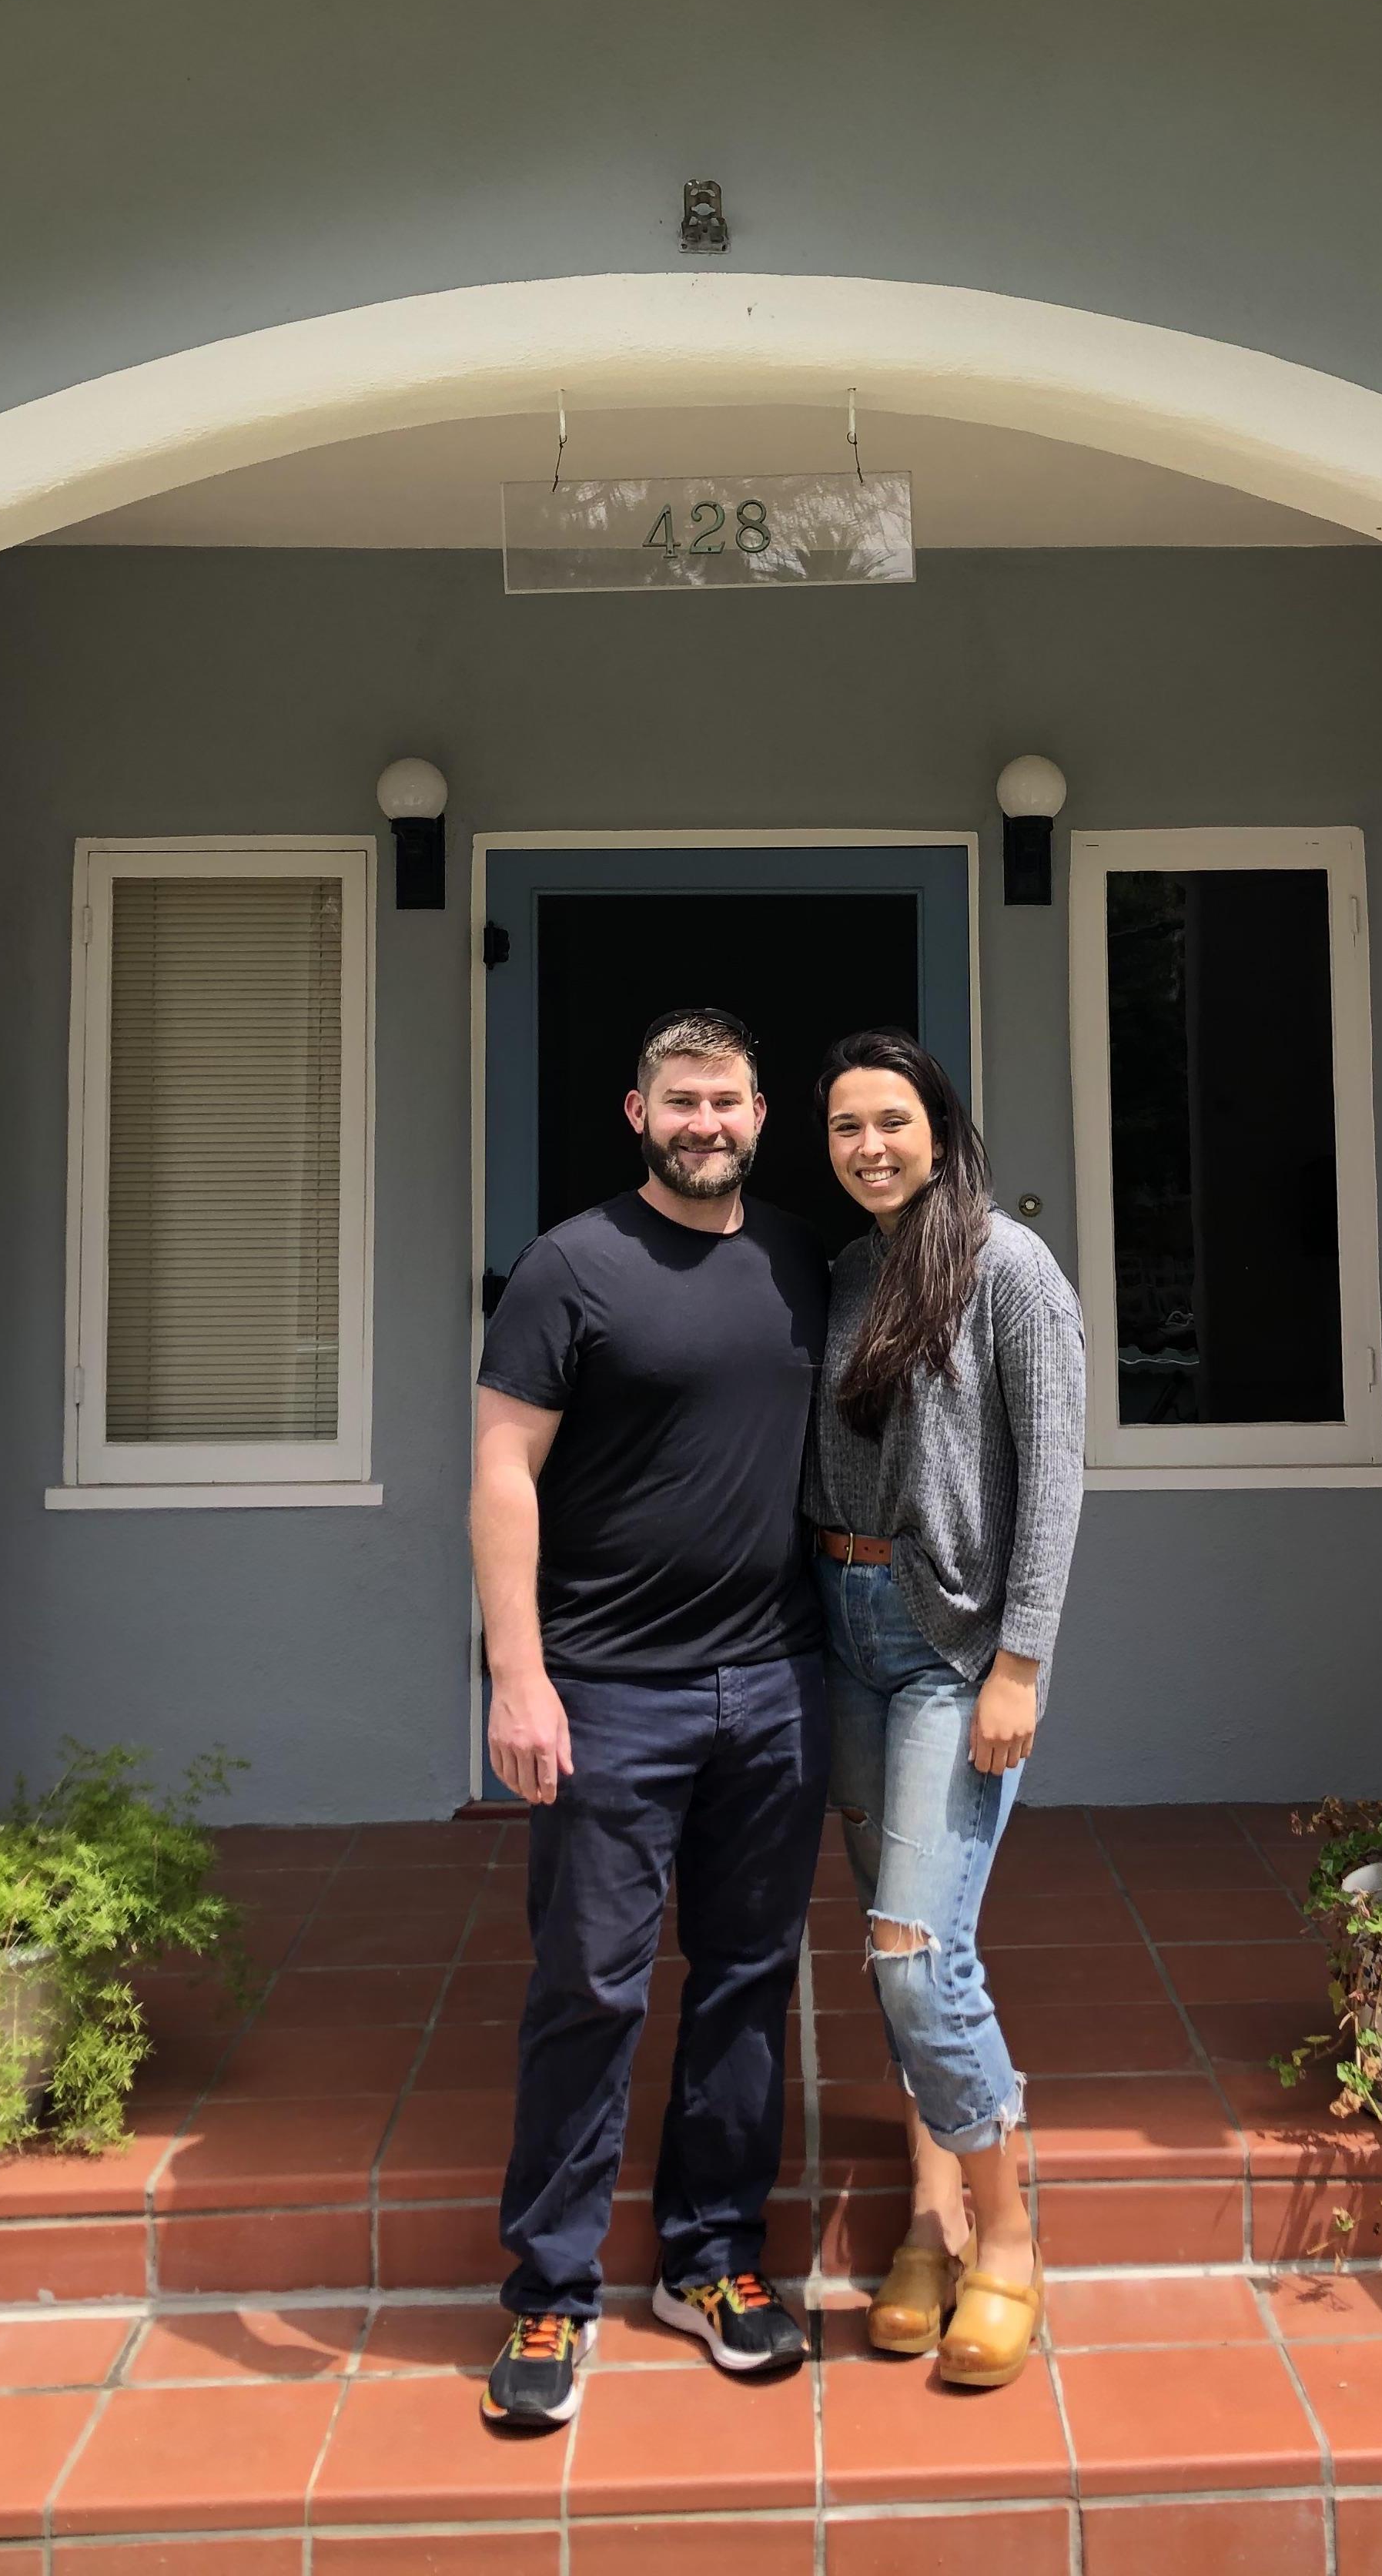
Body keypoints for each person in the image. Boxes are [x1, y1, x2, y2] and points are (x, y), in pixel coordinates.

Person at [468, 1008, 833, 2430]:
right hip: (609, 1690)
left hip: (776, 1682)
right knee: (590, 1986)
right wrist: (519, 1674)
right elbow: (505, 1469)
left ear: (760, 1114)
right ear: (636, 1113)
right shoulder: (574, 1266)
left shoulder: (802, 1259)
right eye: (680, 1101)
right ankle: (551, 2295)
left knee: (749, 1980)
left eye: (728, 1100)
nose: (705, 1123)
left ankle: (713, 2262)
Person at [805, 1027, 1087, 2390]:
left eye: (892, 1121)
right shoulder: (849, 1274)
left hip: (949, 1650)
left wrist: (1019, 1663)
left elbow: (1055, 1476)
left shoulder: (1009, 1269)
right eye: (848, 1126)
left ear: (941, 1126)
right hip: (843, 1634)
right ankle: (926, 2217)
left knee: (922, 1955)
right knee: (885, 1942)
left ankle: (1011, 2240)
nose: (871, 1146)